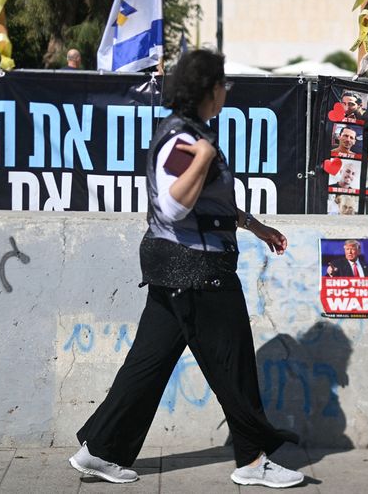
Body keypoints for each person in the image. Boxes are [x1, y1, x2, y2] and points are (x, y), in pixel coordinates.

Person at [69, 49, 303, 489]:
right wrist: (203, 156)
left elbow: (210, 201)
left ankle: (99, 451)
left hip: (173, 267)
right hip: (198, 270)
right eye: (222, 85)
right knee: (233, 364)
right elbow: (174, 205)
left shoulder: (187, 133)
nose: (225, 92)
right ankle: (253, 461)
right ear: (208, 90)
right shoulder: (186, 139)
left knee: (148, 363)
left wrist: (255, 226)